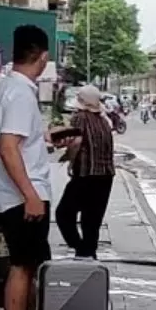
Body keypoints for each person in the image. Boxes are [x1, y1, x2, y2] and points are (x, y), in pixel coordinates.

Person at [0, 24, 56, 310]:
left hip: (4, 195)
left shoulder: (2, 88)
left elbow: (15, 143)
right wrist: (31, 194)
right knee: (23, 267)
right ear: (42, 57)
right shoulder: (22, 93)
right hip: (21, 198)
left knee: (24, 264)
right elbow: (8, 147)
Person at [55, 84, 116, 260]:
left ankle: (80, 248)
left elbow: (74, 142)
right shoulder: (104, 120)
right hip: (106, 176)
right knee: (92, 220)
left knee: (64, 214)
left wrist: (69, 160)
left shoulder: (80, 118)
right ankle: (89, 254)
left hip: (85, 174)